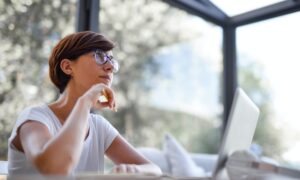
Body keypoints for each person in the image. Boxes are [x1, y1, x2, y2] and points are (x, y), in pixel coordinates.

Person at [7, 31, 162, 175]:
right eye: (99, 56)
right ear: (68, 67)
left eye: (111, 61)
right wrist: (85, 101)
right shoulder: (35, 118)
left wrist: (133, 169)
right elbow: (54, 168)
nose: (109, 67)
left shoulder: (99, 126)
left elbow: (154, 169)